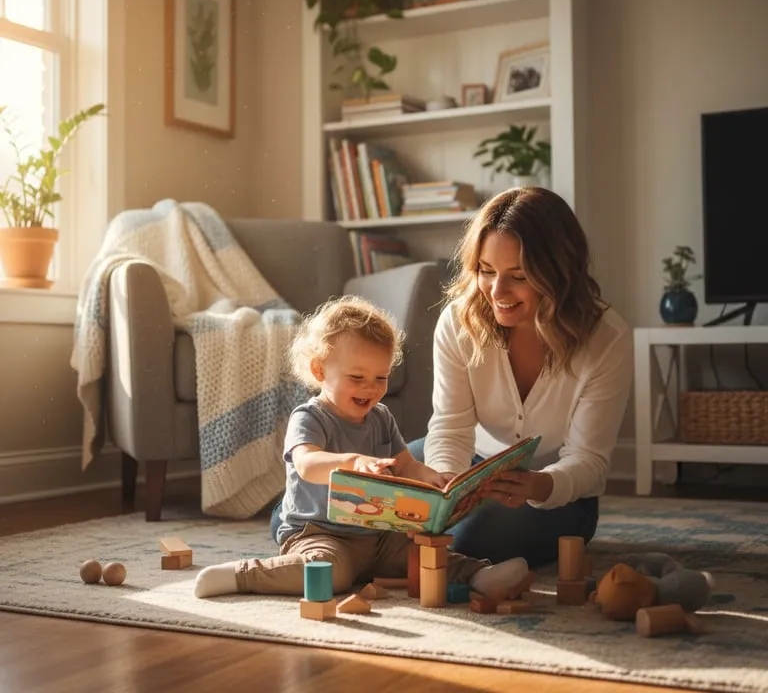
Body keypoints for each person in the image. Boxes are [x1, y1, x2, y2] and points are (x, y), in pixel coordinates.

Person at [194, 295, 530, 599]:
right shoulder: (310, 417)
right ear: (319, 370)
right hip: (321, 533)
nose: (370, 388)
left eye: (380, 378)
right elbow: (307, 464)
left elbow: (405, 464)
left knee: (424, 550)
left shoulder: (380, 417)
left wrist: (435, 478)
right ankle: (241, 575)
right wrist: (352, 462)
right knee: (330, 573)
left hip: (379, 535)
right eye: (357, 378)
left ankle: (479, 575)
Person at [408, 187, 633, 568]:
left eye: (519, 276)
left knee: (470, 540)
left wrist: (540, 485)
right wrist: (446, 483)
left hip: (553, 489)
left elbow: (589, 461)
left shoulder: (606, 338)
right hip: (470, 465)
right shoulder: (459, 322)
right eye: (486, 271)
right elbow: (450, 427)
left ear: (558, 273)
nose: (497, 291)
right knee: (372, 490)